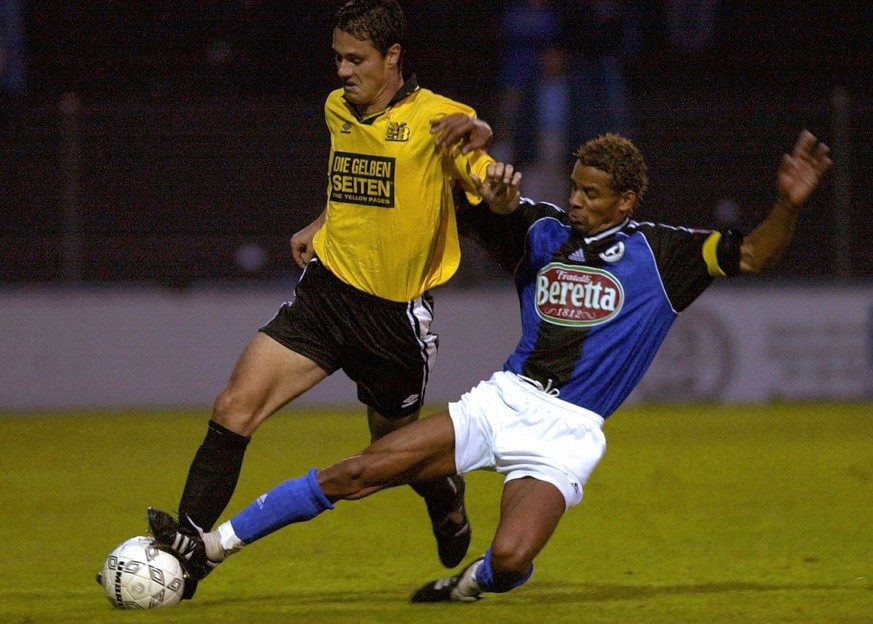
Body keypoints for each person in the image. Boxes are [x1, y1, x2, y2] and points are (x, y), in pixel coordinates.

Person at [148, 128, 831, 602]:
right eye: (574, 187)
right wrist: (477, 182)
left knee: (509, 558)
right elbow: (435, 197)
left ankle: (470, 583)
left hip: (568, 431)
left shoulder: (664, 253)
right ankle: (211, 547)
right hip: (502, 401)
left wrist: (786, 206)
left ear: (626, 201)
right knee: (359, 469)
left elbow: (753, 255)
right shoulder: (536, 228)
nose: (577, 201)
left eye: (593, 194)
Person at [145, 0, 498, 598]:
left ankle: (443, 492)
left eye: (355, 59)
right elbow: (357, 187)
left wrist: (489, 153)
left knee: (392, 443)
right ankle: (186, 550)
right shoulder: (337, 109)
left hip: (393, 322)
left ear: (392, 58)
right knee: (235, 405)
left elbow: (484, 171)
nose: (341, 71)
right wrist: (321, 221)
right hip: (325, 296)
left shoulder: (443, 119)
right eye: (337, 57)